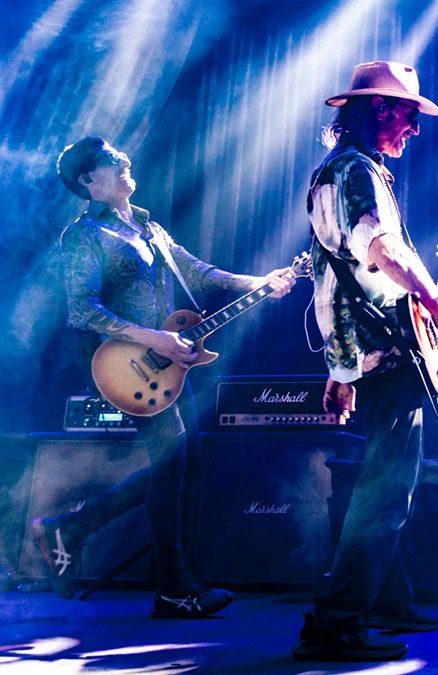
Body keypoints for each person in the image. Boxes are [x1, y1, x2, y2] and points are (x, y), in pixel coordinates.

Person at [36, 136, 296, 617]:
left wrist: (256, 283)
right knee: (174, 460)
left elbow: (197, 272)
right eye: (114, 159)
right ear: (90, 180)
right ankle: (174, 589)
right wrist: (151, 338)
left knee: (184, 462)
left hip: (168, 362)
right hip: (124, 363)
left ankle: (70, 529)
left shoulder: (147, 226)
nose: (126, 160)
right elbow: (81, 309)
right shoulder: (85, 235)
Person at [292, 61, 438, 662]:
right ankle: (335, 624)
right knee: (386, 489)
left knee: (390, 482)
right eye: (409, 116)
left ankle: (388, 602)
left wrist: (340, 370)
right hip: (386, 352)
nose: (413, 129)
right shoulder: (356, 171)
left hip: (371, 351)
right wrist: (435, 299)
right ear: (383, 109)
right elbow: (380, 251)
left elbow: (337, 278)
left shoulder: (344, 172)